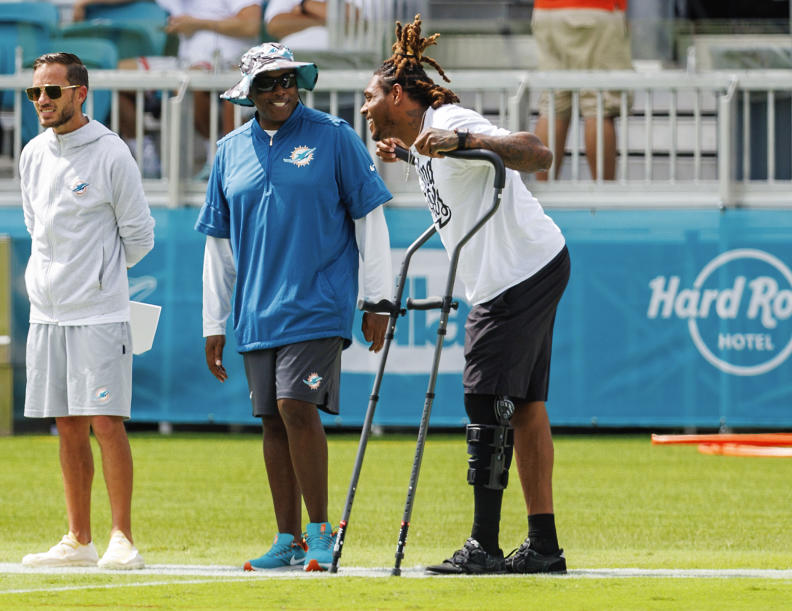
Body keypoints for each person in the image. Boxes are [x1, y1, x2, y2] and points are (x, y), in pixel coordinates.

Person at [360, 15, 569, 574]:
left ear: (397, 94)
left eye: (369, 96)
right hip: (530, 265)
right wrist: (409, 157)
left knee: (484, 398)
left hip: (517, 272)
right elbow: (458, 176)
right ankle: (543, 547)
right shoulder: (425, 141)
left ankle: (484, 545)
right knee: (524, 405)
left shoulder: (450, 119)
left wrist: (463, 139)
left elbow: (535, 153)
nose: (363, 108)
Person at [195, 42, 394, 572]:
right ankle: (287, 539)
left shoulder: (335, 137)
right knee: (270, 420)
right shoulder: (228, 151)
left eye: (288, 80)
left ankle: (321, 532)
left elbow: (369, 221)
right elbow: (218, 244)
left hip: (318, 301)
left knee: (293, 406)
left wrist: (378, 299)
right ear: (249, 94)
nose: (281, 91)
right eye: (268, 84)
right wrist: (214, 321)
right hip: (256, 308)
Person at [18, 52, 156, 570]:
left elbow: (140, 235)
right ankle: (79, 539)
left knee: (106, 421)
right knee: (68, 425)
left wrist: (100, 278)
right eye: (36, 93)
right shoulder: (32, 154)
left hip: (99, 314)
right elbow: (36, 226)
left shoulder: (111, 154)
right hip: (47, 313)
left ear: (80, 93)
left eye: (52, 91)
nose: (43, 101)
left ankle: (122, 538)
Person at [113, 0, 261, 173]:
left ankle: (214, 157)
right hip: (184, 63)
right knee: (117, 74)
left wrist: (198, 24)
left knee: (194, 77)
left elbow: (251, 25)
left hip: (231, 65)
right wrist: (83, 3)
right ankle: (147, 160)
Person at [531, 0, 634, 181]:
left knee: (554, 101)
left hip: (546, 11)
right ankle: (604, 199)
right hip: (596, 9)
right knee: (598, 102)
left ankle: (540, 200)